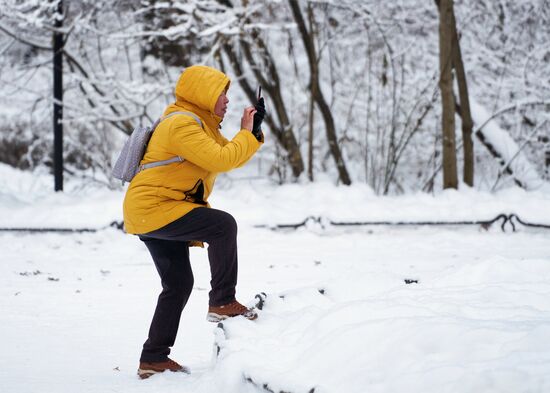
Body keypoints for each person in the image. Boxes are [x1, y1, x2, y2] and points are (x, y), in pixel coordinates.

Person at [122, 65, 265, 379]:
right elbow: (222, 159)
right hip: (156, 207)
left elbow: (227, 153)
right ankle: (223, 300)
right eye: (221, 93)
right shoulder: (183, 124)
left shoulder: (199, 125)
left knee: (178, 284)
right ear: (203, 94)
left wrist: (251, 133)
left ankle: (153, 358)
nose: (226, 100)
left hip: (154, 209)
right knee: (222, 225)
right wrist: (244, 133)